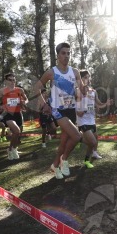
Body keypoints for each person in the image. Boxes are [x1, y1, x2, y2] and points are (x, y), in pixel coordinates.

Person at [33, 42, 85, 179]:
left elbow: (80, 91)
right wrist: (44, 104)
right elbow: (37, 87)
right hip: (58, 110)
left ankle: (55, 165)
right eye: (63, 53)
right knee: (77, 136)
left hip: (71, 109)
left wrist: (80, 89)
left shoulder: (75, 72)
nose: (66, 56)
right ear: (58, 55)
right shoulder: (52, 72)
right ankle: (64, 160)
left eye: (68, 53)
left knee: (64, 141)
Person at [76, 70, 113, 168]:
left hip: (91, 120)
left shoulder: (93, 91)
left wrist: (106, 104)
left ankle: (94, 153)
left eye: (88, 77)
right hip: (82, 120)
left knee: (95, 138)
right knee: (92, 142)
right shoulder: (77, 91)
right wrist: (86, 109)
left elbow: (99, 104)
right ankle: (85, 158)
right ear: (80, 79)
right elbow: (78, 111)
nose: (87, 79)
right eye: (84, 77)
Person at [0, 73, 28, 160]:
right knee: (17, 131)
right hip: (8, 114)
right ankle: (12, 149)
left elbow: (26, 99)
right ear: (6, 81)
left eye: (14, 80)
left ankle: (12, 149)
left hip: (18, 113)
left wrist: (24, 102)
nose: (12, 82)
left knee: (17, 134)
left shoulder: (20, 90)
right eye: (10, 80)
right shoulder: (2, 91)